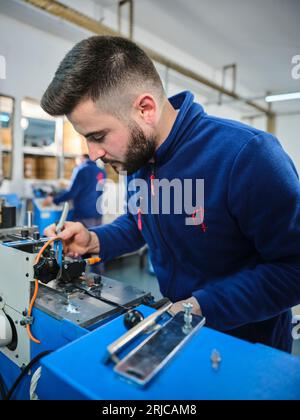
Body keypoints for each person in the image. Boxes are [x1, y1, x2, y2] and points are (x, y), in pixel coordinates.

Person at [42, 36, 300, 352]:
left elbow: (294, 268)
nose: (92, 153)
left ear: (145, 109)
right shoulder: (137, 158)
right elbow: (139, 222)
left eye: (98, 136)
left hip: (247, 346)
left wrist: (200, 306)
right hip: (182, 328)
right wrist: (94, 240)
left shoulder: (247, 156)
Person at [43, 154, 106, 228]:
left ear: (81, 158)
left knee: (80, 238)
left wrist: (54, 200)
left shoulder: (81, 169)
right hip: (98, 213)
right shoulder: (101, 171)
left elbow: (72, 192)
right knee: (95, 237)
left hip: (84, 214)